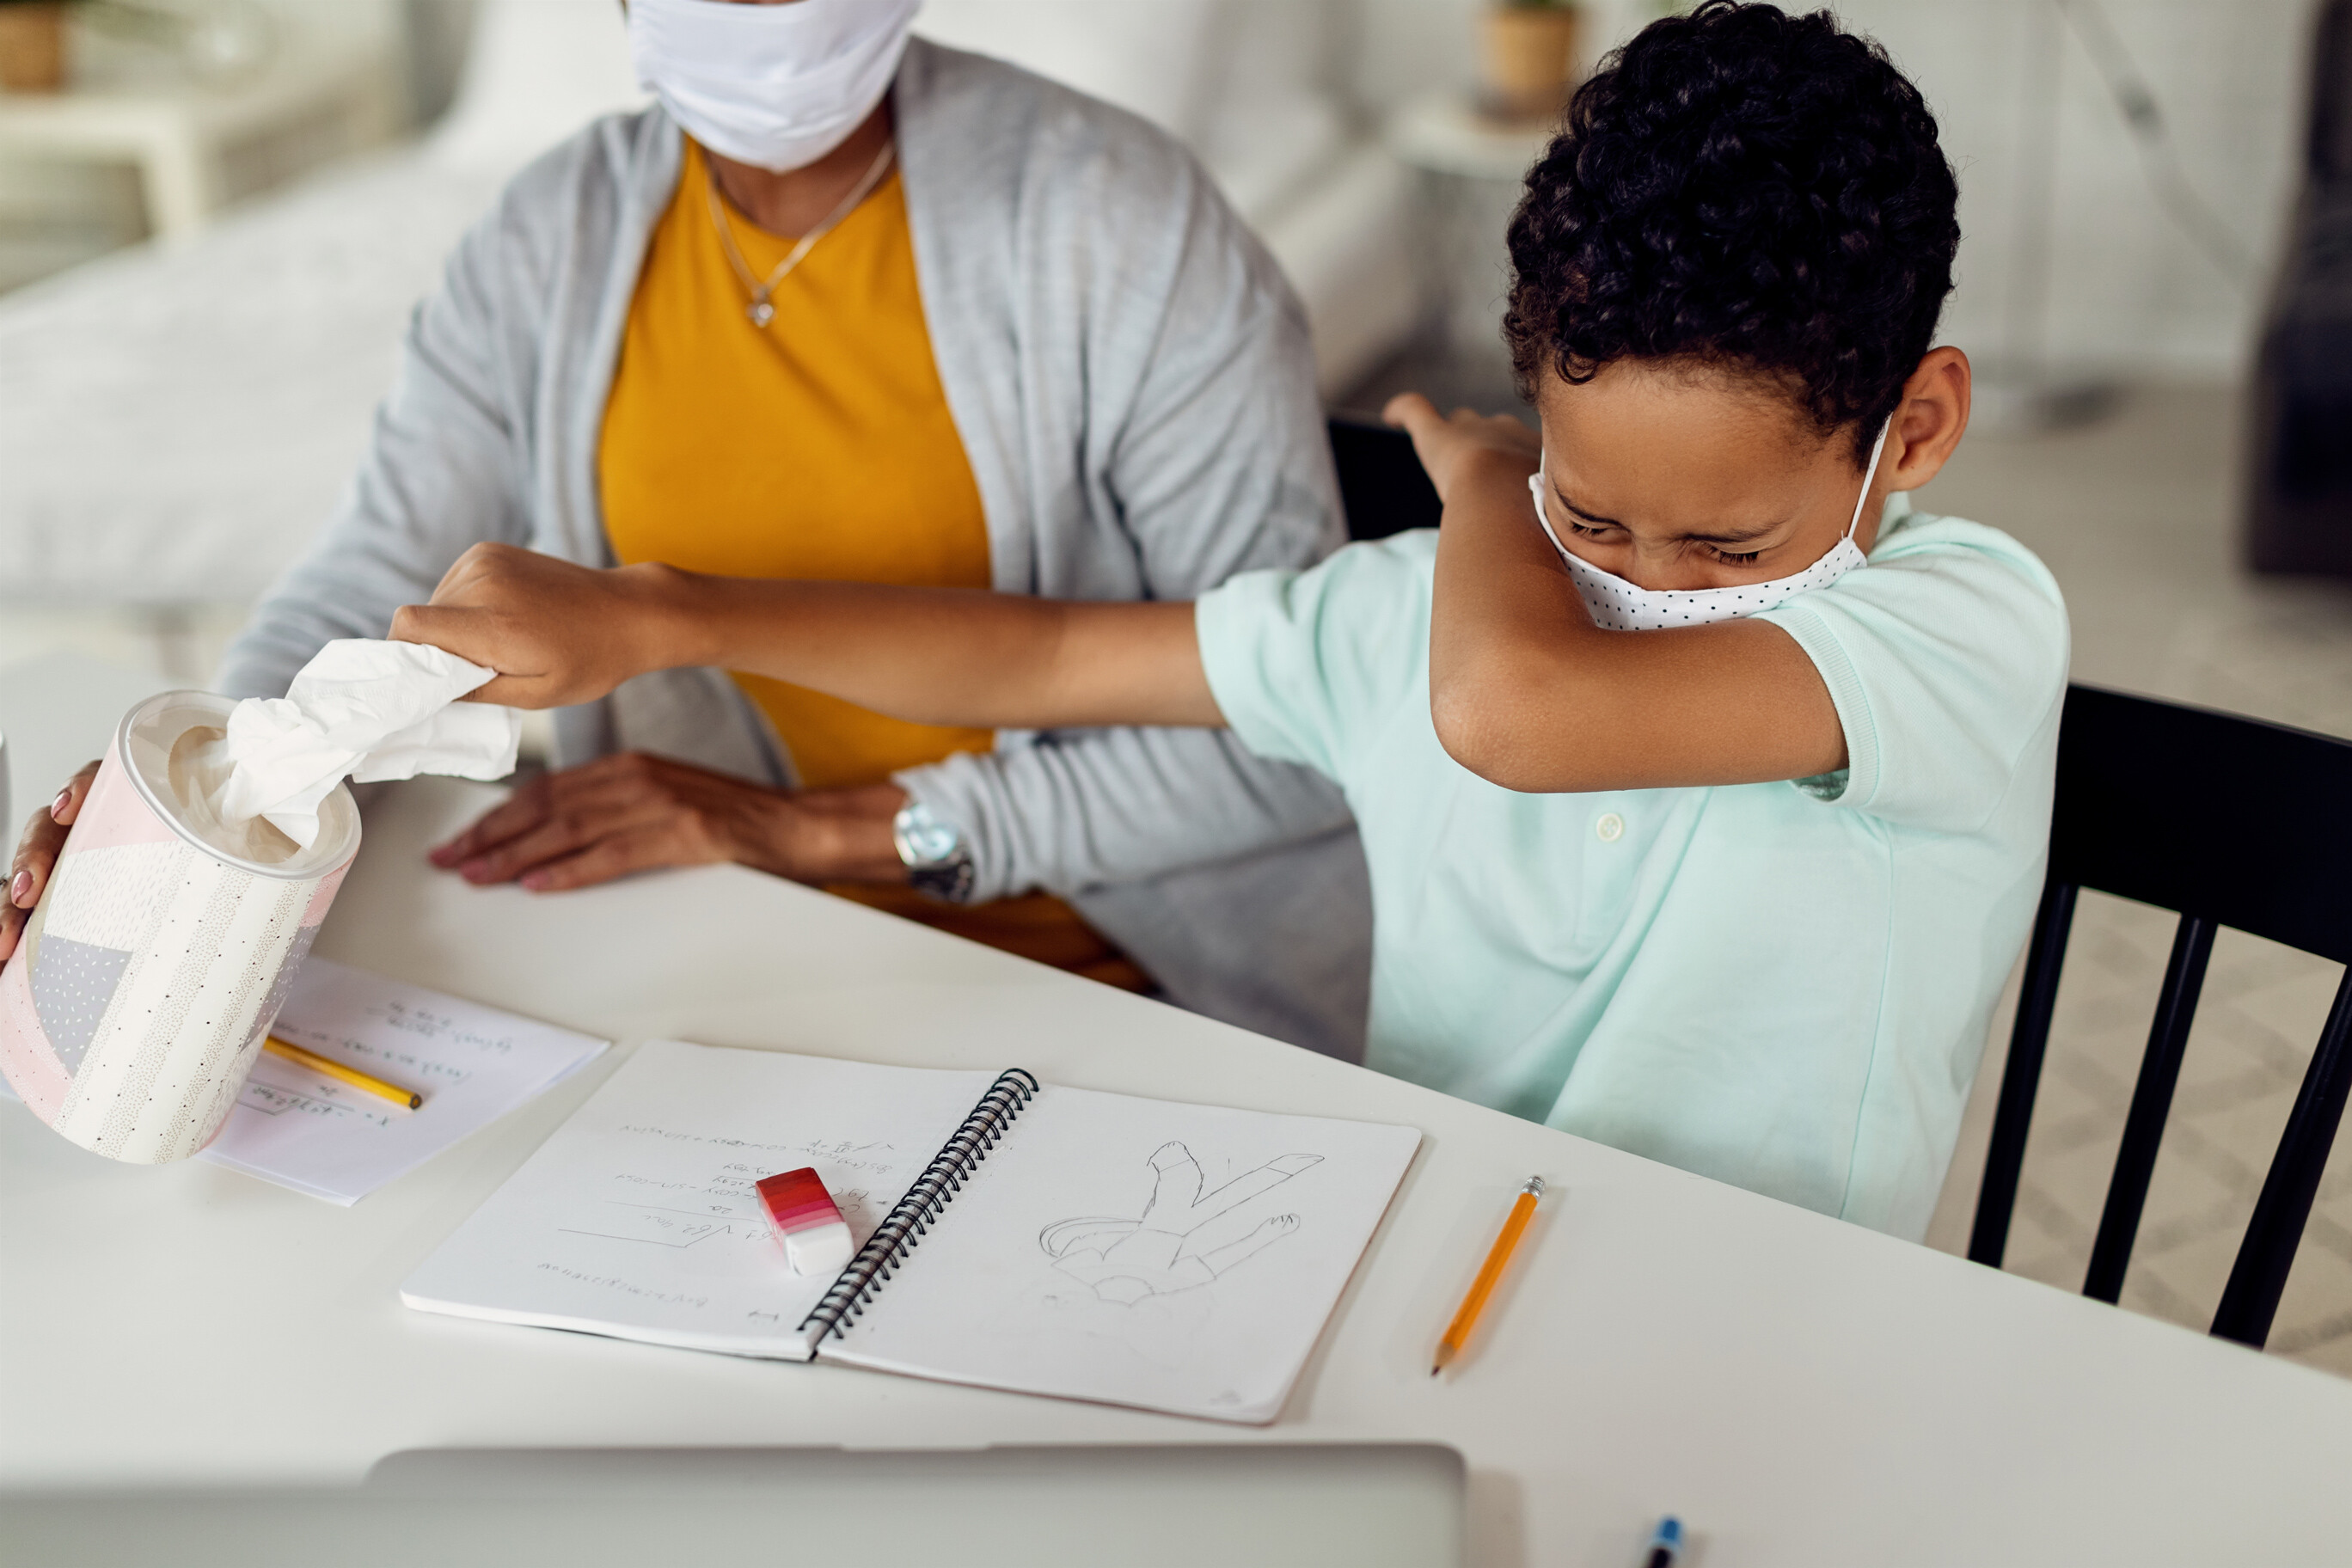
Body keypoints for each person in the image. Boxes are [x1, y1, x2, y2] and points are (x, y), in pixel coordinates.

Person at [378, 1, 2069, 1239]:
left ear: (1915, 428)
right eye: (1593, 510)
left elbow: (1512, 713)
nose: (1645, 578)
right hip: (1427, 1258)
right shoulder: (1415, 620)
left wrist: (1492, 489)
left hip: (1781, 1324)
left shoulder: (1961, 632)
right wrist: (665, 616)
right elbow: (1054, 654)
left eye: (1724, 542)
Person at [0, 0, 1371, 1057]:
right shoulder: (553, 238)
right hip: (720, 962)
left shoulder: (1124, 226)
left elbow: (1306, 733)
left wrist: (818, 832)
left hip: (1120, 982)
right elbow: (371, 581)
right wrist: (196, 803)